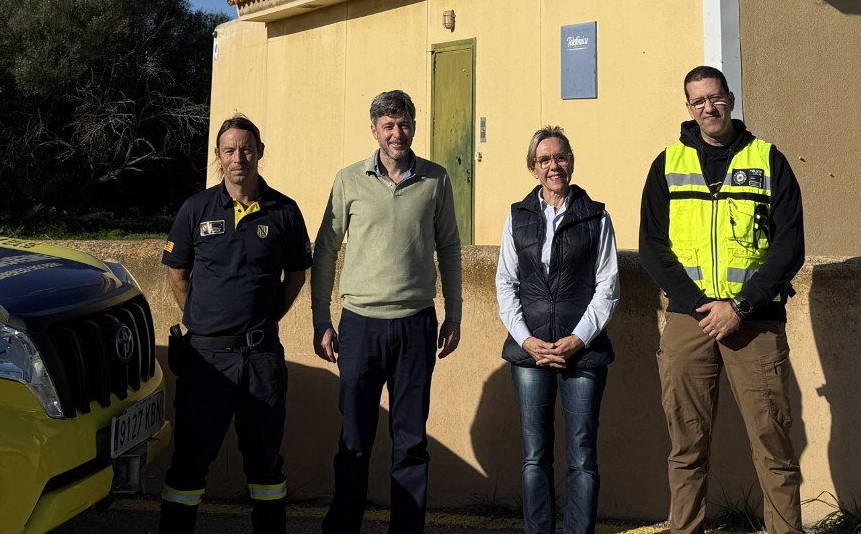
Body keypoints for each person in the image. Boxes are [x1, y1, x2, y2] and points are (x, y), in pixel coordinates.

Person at [637, 66, 806, 534]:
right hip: (691, 322)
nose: (708, 108)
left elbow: (789, 246)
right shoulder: (666, 164)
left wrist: (740, 307)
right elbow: (652, 247)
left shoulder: (768, 159)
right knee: (687, 447)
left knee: (773, 445)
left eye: (715, 98)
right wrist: (700, 306)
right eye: (698, 102)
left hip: (755, 321)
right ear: (688, 109)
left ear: (729, 99)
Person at [311, 88, 464, 534]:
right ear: (374, 130)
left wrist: (453, 314)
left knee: (411, 443)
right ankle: (343, 527)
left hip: (417, 325)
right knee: (354, 440)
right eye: (388, 125)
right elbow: (325, 250)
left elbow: (450, 247)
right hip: (359, 327)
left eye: (404, 124)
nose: (397, 133)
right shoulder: (348, 180)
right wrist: (322, 320)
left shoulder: (435, 179)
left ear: (414, 126)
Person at [159, 115, 313, 534]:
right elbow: (177, 273)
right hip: (205, 360)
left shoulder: (284, 210)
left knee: (265, 464)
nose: (238, 158)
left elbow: (296, 275)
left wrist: (262, 321)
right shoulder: (196, 209)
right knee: (189, 463)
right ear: (218, 157)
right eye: (229, 150)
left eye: (246, 149)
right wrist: (206, 320)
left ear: (260, 152)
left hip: (261, 358)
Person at [494, 127, 619, 534]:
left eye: (560, 157)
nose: (554, 166)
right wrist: (526, 340)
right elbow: (506, 283)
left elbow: (608, 287)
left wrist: (577, 339)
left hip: (582, 353)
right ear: (533, 168)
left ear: (572, 161)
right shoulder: (518, 216)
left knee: (582, 455)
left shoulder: (596, 215)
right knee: (535, 455)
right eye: (544, 159)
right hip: (529, 354)